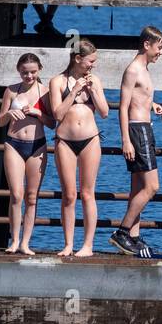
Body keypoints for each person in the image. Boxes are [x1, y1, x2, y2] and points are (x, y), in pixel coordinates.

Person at [110, 27, 162, 259]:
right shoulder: (133, 69)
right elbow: (123, 107)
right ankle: (122, 232)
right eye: (159, 47)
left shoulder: (144, 68)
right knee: (152, 187)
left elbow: (139, 98)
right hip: (136, 130)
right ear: (146, 44)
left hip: (145, 127)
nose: (160, 52)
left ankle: (133, 236)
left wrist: (152, 105)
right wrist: (126, 140)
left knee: (137, 189)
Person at [49, 38, 108, 257]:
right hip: (65, 141)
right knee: (69, 195)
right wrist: (74, 92)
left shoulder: (95, 81)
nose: (93, 65)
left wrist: (92, 91)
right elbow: (57, 114)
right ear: (77, 58)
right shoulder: (58, 82)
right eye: (90, 61)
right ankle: (68, 244)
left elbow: (104, 112)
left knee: (87, 193)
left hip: (90, 140)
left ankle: (88, 245)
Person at [0, 53, 51, 255]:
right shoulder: (12, 90)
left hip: (37, 145)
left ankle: (26, 243)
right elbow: (0, 121)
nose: (28, 76)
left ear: (39, 71)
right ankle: (14, 240)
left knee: (32, 197)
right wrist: (9, 113)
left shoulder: (45, 92)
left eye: (33, 72)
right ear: (19, 71)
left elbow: (53, 123)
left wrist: (39, 114)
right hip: (14, 143)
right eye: (24, 72)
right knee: (16, 195)